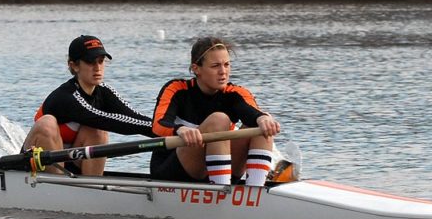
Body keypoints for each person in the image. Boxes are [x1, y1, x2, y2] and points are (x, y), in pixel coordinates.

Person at [150, 36, 281, 186]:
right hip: (173, 170)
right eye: (215, 66)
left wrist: (263, 119)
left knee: (262, 124)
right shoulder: (176, 89)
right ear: (196, 69)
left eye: (226, 65)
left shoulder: (236, 92)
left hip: (219, 168)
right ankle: (221, 191)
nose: (223, 72)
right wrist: (180, 130)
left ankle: (256, 190)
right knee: (219, 120)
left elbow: (251, 112)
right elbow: (158, 125)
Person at [22, 34, 155, 176]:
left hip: (71, 163)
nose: (97, 68)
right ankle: (58, 187)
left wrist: (170, 129)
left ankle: (93, 187)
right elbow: (107, 120)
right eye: (90, 62)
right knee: (47, 123)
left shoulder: (104, 91)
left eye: (101, 61)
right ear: (74, 66)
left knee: (97, 132)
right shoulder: (66, 96)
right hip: (36, 168)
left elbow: (133, 117)